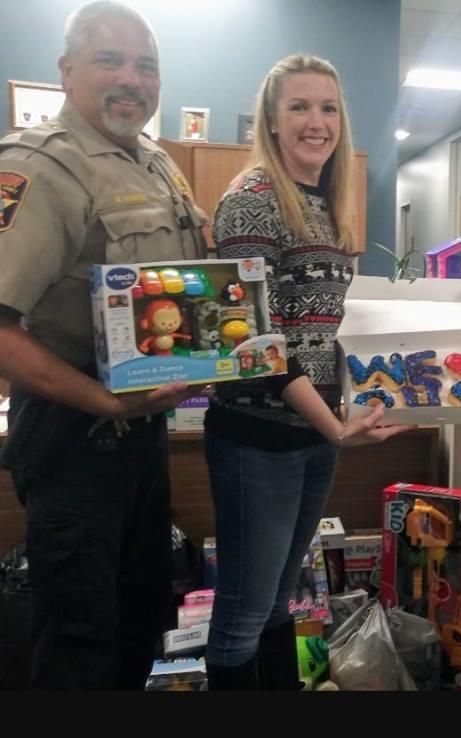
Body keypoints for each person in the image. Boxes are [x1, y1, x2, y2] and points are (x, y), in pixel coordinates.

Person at [0, 1, 207, 689]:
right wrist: (106, 404)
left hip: (141, 435)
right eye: (109, 61)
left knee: (143, 618)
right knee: (80, 640)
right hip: (73, 434)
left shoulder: (156, 164)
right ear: (66, 71)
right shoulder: (39, 168)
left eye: (145, 66)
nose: (131, 80)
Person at [203, 53, 411, 690]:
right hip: (258, 439)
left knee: (276, 604)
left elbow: (320, 329)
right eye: (299, 106)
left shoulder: (321, 204)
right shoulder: (253, 200)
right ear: (271, 118)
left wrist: (345, 415)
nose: (316, 122)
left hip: (312, 437)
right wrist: (336, 427)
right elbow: (255, 345)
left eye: (328, 108)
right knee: (242, 616)